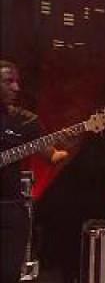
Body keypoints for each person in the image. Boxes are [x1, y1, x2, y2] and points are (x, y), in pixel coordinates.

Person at [1, 59, 68, 283]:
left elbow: (51, 155)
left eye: (17, 82)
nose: (16, 88)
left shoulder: (26, 120)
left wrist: (67, 146)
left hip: (11, 209)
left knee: (9, 273)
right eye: (8, 82)